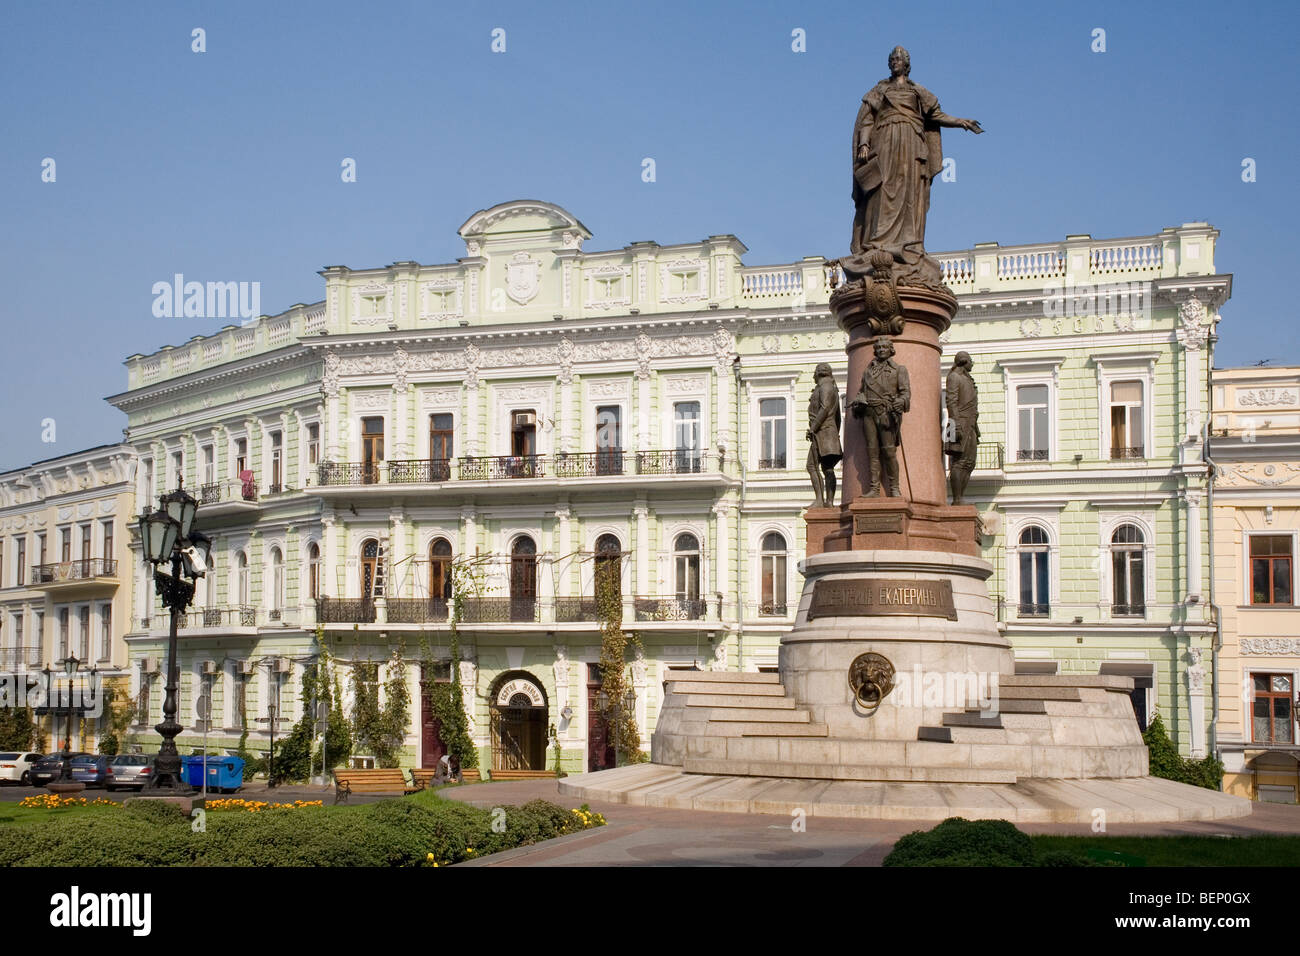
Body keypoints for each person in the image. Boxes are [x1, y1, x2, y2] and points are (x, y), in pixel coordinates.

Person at [850, 46, 983, 273]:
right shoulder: (879, 90)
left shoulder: (918, 92)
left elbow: (937, 116)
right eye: (891, 59)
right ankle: (878, 242)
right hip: (885, 142)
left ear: (907, 64)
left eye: (899, 59)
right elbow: (867, 121)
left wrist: (961, 122)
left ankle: (909, 243)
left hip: (912, 145)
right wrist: (864, 143)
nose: (894, 61)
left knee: (910, 192)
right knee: (883, 190)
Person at [852, 337, 910, 497]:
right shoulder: (868, 371)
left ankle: (894, 488)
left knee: (889, 452)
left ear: (891, 350)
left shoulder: (899, 370)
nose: (881, 349)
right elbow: (861, 392)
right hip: (868, 413)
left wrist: (900, 402)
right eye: (878, 347)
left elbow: (905, 394)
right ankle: (874, 489)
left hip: (886, 413)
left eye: (885, 347)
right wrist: (858, 401)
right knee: (872, 452)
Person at [944, 351, 980, 505]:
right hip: (957, 424)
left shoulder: (967, 379)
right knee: (958, 462)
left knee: (969, 462)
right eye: (971, 361)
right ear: (964, 361)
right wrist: (956, 424)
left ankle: (960, 497)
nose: (972, 364)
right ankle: (957, 499)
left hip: (970, 424)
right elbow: (951, 401)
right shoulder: (954, 377)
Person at [806, 363, 843, 507]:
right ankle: (828, 502)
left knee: (812, 466)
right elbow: (838, 417)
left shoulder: (825, 386)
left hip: (823, 433)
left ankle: (821, 501)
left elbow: (825, 408)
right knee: (828, 468)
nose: (813, 375)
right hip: (828, 432)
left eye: (815, 372)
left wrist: (813, 428)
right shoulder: (830, 386)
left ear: (820, 373)